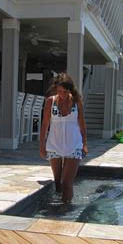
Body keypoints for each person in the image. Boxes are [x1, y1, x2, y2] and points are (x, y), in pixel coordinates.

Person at [39, 73, 88, 203]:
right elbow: (45, 124)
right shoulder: (51, 101)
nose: (62, 94)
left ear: (70, 90)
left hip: (74, 145)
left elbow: (82, 124)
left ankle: (65, 210)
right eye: (59, 91)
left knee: (67, 183)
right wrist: (42, 146)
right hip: (54, 144)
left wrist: (84, 143)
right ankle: (58, 205)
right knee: (57, 183)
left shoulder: (77, 103)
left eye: (65, 91)